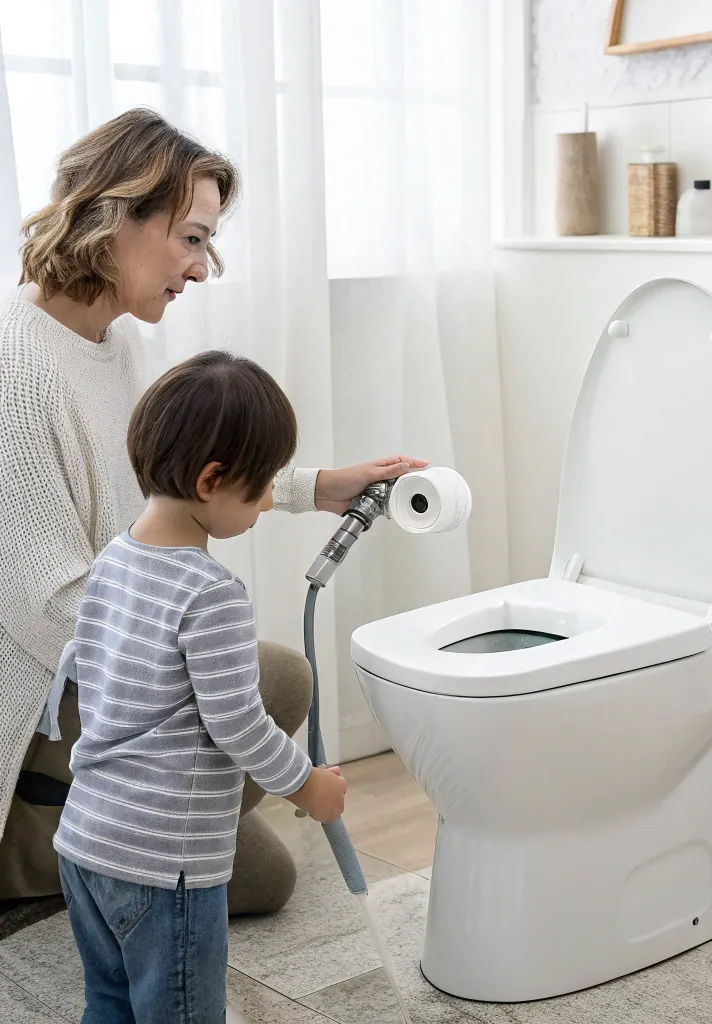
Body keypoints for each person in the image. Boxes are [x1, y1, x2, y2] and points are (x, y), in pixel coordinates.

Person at [0, 107, 426, 914]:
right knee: (275, 680)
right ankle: (36, 846)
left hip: (110, 679)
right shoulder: (16, 372)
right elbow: (53, 618)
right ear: (117, 213)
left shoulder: (111, 340)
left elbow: (176, 475)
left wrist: (313, 485)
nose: (202, 270)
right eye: (192, 238)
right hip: (47, 702)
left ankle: (108, 841)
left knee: (265, 880)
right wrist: (197, 641)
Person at [56, 349, 350, 1023]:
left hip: (87, 842)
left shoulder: (113, 557)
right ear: (213, 478)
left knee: (109, 1003)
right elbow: (239, 724)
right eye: (265, 484)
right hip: (165, 866)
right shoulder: (209, 592)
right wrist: (308, 784)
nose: (272, 498)